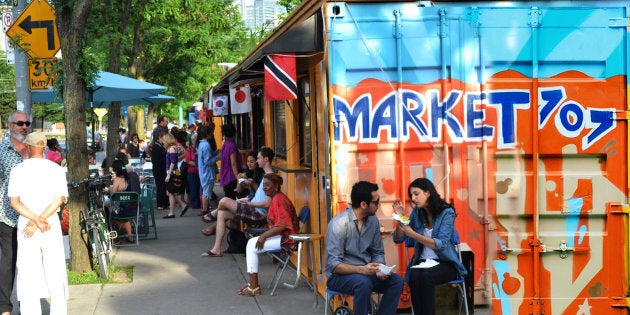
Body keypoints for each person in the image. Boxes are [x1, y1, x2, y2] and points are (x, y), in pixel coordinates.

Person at [8, 132, 68, 315]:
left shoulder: (18, 170)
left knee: (27, 272)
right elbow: (59, 200)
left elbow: (14, 202)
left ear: (28, 146)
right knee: (55, 269)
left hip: (27, 224)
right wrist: (41, 219)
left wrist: (34, 220)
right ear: (43, 148)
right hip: (49, 223)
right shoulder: (56, 169)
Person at [325, 181, 403, 315]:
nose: (379, 205)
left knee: (397, 282)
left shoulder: (373, 221)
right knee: (363, 283)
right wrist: (362, 269)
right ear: (363, 204)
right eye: (376, 202)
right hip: (339, 276)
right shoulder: (338, 224)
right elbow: (334, 265)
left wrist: (380, 268)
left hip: (366, 273)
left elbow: (378, 252)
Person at [392, 178, 467, 315]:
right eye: (411, 196)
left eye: (416, 194)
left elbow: (441, 244)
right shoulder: (417, 213)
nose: (413, 198)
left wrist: (413, 234)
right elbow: (399, 238)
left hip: (445, 262)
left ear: (427, 193)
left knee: (425, 276)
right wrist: (400, 218)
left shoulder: (447, 212)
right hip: (422, 262)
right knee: (414, 274)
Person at [200, 147, 275, 257]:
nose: (257, 160)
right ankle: (216, 249)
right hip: (253, 209)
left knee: (224, 200)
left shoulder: (271, 178)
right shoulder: (265, 176)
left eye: (258, 158)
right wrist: (246, 201)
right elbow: (258, 197)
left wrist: (250, 204)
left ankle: (213, 214)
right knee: (222, 213)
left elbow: (268, 204)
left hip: (258, 213)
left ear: (266, 159)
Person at [238, 173, 299, 296]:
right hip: (282, 235)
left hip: (287, 239)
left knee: (251, 245)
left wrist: (264, 236)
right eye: (264, 185)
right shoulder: (275, 198)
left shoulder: (280, 200)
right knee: (251, 243)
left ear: (276, 186)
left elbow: (282, 225)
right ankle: (252, 284)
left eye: (268, 185)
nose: (265, 187)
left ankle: (254, 287)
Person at [0, 111, 30, 315]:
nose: (25, 126)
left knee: (29, 261)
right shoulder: (1, 149)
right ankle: (4, 307)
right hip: (7, 216)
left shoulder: (34, 149)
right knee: (9, 260)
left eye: (27, 123)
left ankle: (27, 304)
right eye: (20, 123)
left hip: (32, 217)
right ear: (10, 125)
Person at [109, 159, 141, 244]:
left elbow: (113, 195)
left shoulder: (117, 179)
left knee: (108, 215)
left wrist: (110, 189)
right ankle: (130, 237)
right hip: (135, 208)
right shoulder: (130, 177)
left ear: (116, 170)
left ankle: (116, 236)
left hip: (123, 210)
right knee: (125, 218)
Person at [162, 133, 188, 218]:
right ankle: (180, 207)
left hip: (172, 173)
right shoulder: (172, 148)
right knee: (171, 192)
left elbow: (173, 162)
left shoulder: (172, 149)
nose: (163, 141)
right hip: (173, 172)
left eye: (164, 139)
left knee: (170, 192)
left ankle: (173, 211)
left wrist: (168, 175)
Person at [196, 126, 220, 216]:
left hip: (204, 172)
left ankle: (205, 209)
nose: (212, 134)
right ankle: (205, 210)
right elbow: (208, 161)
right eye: (211, 132)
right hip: (208, 173)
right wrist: (218, 157)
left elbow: (206, 158)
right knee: (206, 193)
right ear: (208, 133)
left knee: (206, 192)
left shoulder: (202, 144)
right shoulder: (206, 145)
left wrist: (215, 153)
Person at [219, 124, 241, 200]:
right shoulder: (232, 145)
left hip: (226, 175)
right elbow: (233, 163)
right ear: (234, 133)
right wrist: (238, 177)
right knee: (232, 199)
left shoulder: (225, 144)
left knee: (228, 197)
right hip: (231, 177)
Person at [151, 130, 169, 210]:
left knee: (164, 186)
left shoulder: (161, 146)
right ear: (159, 137)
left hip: (162, 169)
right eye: (163, 138)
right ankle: (160, 204)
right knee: (160, 187)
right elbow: (155, 160)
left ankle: (165, 203)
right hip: (158, 170)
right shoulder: (156, 146)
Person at [184, 132, 200, 209]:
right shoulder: (189, 149)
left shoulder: (200, 148)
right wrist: (198, 164)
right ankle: (195, 204)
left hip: (200, 172)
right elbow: (188, 161)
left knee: (199, 188)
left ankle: (200, 203)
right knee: (193, 188)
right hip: (192, 172)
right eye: (195, 140)